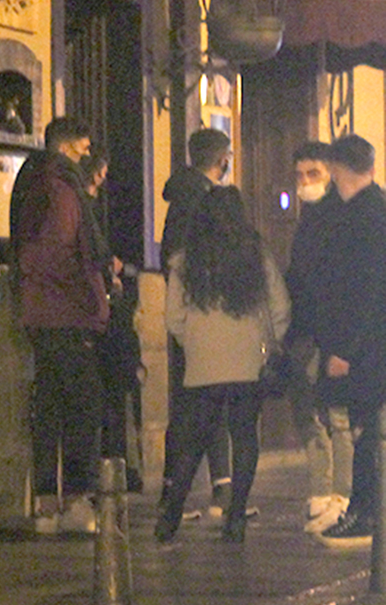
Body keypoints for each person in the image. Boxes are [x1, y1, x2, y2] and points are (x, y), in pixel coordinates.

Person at [158, 186, 289, 543]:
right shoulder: (255, 255)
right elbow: (279, 306)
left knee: (195, 439)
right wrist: (267, 343)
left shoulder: (185, 262)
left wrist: (195, 344)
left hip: (203, 365)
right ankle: (236, 517)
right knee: (245, 436)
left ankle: (170, 514)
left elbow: (173, 319)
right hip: (248, 361)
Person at [11, 117, 106, 534]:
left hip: (37, 310)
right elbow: (63, 247)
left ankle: (47, 504)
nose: (87, 157)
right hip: (65, 311)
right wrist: (92, 294)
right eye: (84, 149)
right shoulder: (60, 186)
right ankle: (75, 501)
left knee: (48, 407)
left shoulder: (30, 179)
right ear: (67, 148)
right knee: (82, 406)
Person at [301, 135, 386, 549]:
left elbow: (367, 289)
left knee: (365, 431)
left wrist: (346, 351)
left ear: (339, 168)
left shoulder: (366, 216)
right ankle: (364, 510)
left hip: (365, 350)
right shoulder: (369, 209)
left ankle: (365, 512)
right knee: (365, 430)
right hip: (366, 346)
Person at [160, 128, 236, 518]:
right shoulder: (204, 202)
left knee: (194, 401)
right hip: (204, 317)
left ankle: (201, 489)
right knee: (204, 402)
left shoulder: (182, 198)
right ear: (222, 159)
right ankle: (197, 493)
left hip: (188, 317)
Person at [282, 141, 353, 534]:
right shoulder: (308, 217)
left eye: (314, 175)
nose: (305, 183)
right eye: (300, 175)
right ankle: (321, 491)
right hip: (306, 329)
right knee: (308, 411)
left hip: (332, 329)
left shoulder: (340, 216)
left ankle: (341, 495)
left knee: (338, 415)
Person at [81, 150, 143, 492]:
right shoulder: (86, 211)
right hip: (105, 317)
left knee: (108, 399)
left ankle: (114, 467)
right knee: (112, 399)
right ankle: (115, 466)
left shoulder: (87, 210)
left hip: (102, 315)